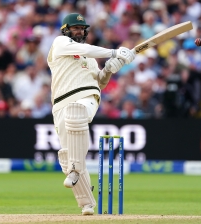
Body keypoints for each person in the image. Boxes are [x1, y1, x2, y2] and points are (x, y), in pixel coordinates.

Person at [47, 13, 135, 215]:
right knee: (66, 156)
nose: (79, 31)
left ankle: (76, 169)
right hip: (60, 104)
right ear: (66, 30)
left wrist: (110, 70)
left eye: (81, 28)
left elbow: (100, 83)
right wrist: (114, 53)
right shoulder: (60, 43)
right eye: (75, 28)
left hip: (86, 97)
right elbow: (85, 48)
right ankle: (87, 204)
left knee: (77, 113)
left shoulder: (91, 59)